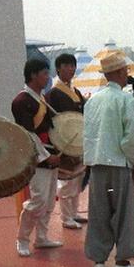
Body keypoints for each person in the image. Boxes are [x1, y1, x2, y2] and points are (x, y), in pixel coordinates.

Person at [83, 52, 134, 267]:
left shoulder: (92, 100)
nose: (127, 75)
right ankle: (122, 263)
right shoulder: (125, 100)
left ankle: (99, 261)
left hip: (97, 164)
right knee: (124, 213)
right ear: (120, 72)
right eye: (125, 71)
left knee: (99, 212)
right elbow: (131, 137)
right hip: (118, 164)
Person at [12, 59, 62, 257]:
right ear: (33, 75)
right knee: (38, 200)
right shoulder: (21, 101)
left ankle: (41, 237)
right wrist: (46, 156)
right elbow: (28, 134)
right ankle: (22, 239)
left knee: (49, 200)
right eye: (44, 73)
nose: (47, 77)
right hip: (37, 158)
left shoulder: (41, 99)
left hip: (50, 155)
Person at [45, 53, 87, 229]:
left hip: (78, 141)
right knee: (67, 181)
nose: (71, 69)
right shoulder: (53, 93)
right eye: (67, 65)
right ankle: (65, 216)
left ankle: (74, 212)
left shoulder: (76, 91)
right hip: (64, 142)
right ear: (58, 68)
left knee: (77, 179)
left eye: (73, 65)